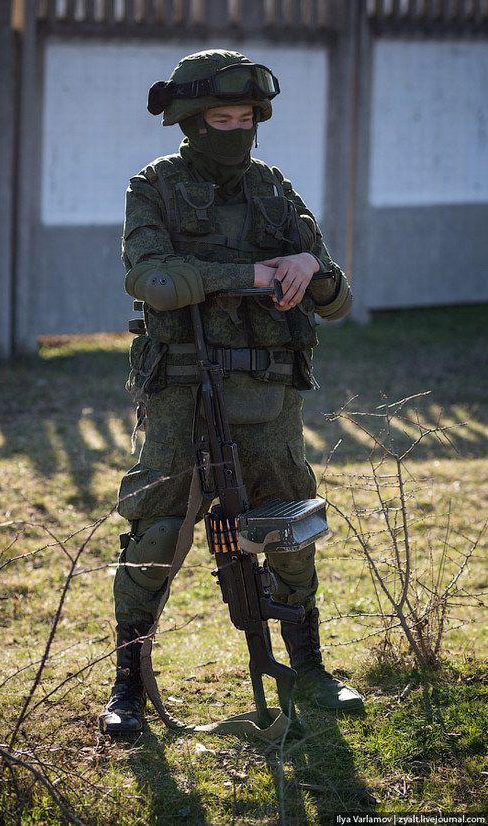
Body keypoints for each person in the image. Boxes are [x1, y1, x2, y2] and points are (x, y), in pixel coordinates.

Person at [99, 49, 363, 735]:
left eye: (247, 118)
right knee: (158, 525)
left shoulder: (275, 189)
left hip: (267, 391)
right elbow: (153, 279)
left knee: (289, 521)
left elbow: (334, 299)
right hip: (183, 385)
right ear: (190, 123)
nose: (237, 131)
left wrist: (311, 264)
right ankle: (128, 681)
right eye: (222, 118)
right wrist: (246, 272)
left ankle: (307, 665)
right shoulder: (153, 187)